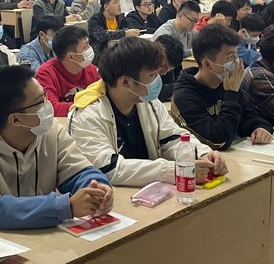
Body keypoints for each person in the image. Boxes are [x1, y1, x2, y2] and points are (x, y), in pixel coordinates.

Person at [0, 66, 113, 232]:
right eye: (40, 101)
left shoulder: (50, 130)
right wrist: (65, 207)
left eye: (45, 95)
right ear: (15, 120)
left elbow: (77, 171)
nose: (48, 105)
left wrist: (96, 188)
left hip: (37, 234)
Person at [67, 37, 227, 186]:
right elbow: (109, 169)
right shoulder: (87, 116)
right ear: (126, 82)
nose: (157, 80)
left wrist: (202, 154)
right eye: (152, 75)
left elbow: (173, 138)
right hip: (116, 198)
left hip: (154, 192)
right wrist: (172, 171)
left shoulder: (148, 102)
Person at [174, 23, 274, 150]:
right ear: (208, 64)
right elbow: (218, 140)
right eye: (230, 57)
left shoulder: (226, 82)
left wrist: (259, 127)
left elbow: (249, 115)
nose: (236, 62)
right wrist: (231, 94)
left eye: (236, 55)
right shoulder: (184, 96)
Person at [35, 25, 100, 117]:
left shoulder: (90, 69)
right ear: (71, 57)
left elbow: (104, 99)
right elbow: (51, 108)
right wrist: (89, 106)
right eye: (85, 47)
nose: (90, 49)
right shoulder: (45, 73)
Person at [153, 34, 184, 101]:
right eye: (163, 66)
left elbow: (170, 87)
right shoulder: (142, 65)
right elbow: (155, 92)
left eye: (169, 70)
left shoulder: (168, 65)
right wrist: (180, 85)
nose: (164, 73)